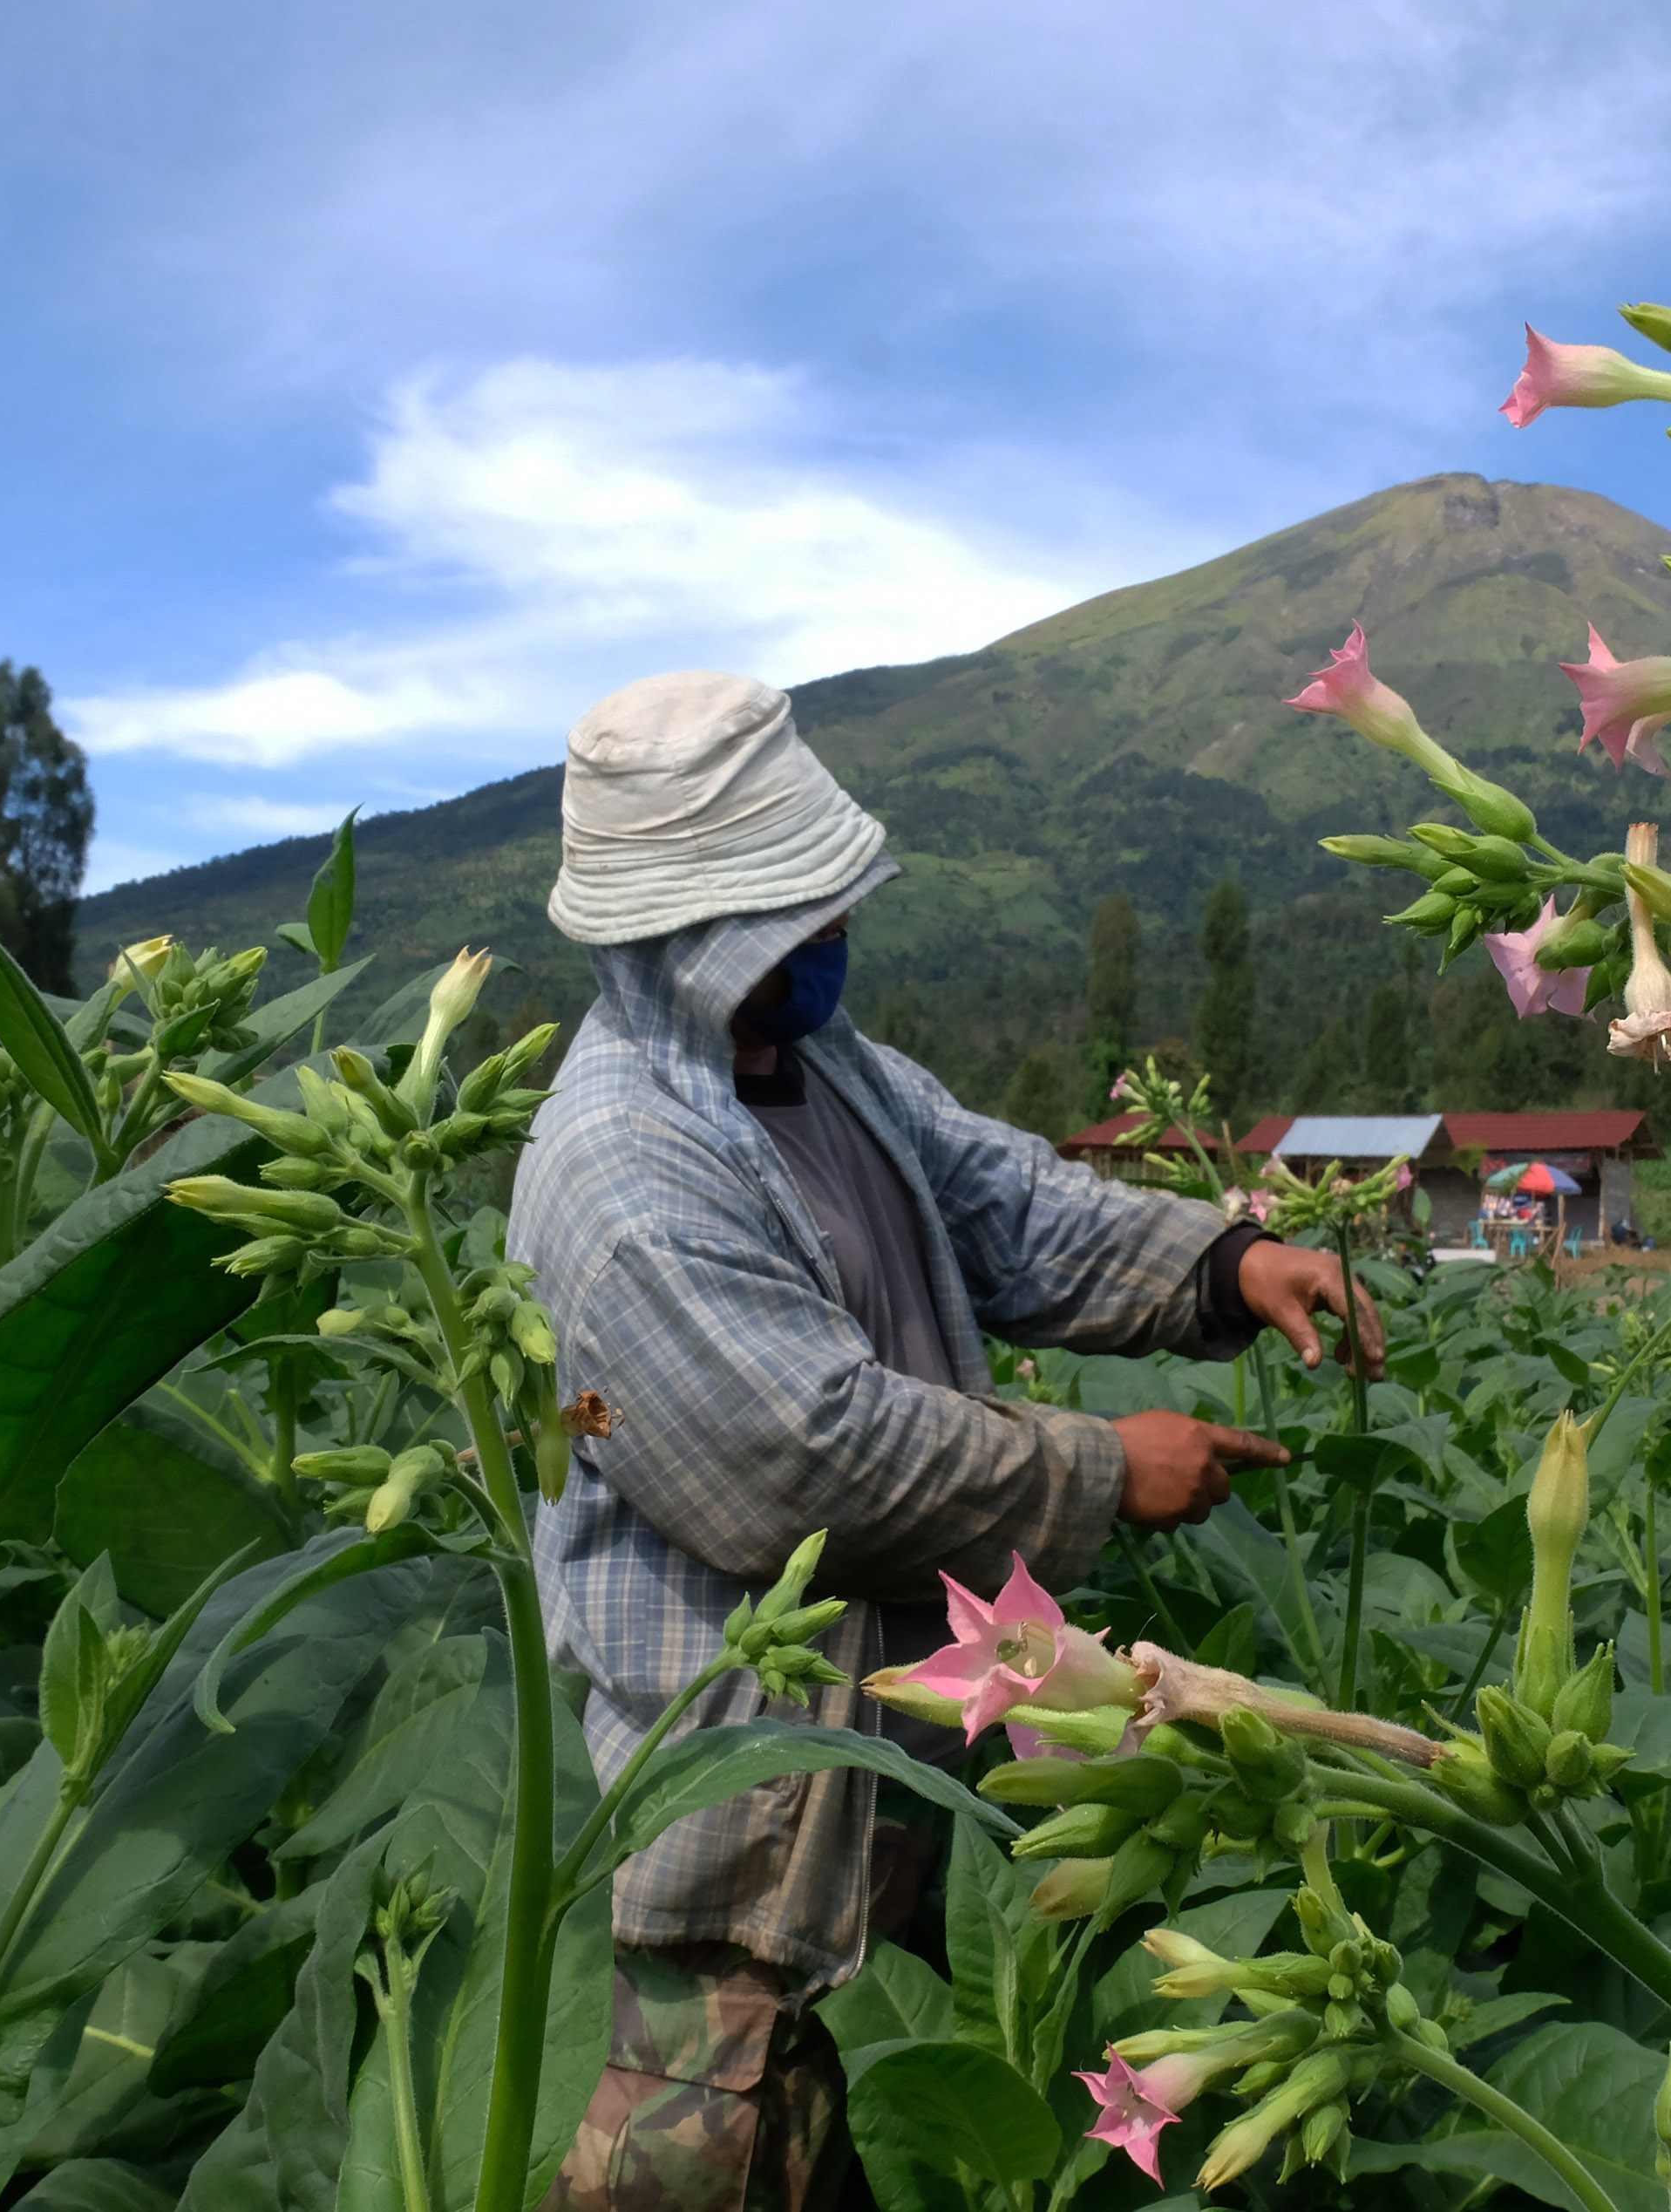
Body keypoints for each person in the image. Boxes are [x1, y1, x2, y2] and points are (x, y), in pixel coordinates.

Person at [511, 672, 1380, 2212]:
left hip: (910, 1797)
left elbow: (1008, 1202)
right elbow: (804, 1460)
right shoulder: (623, 1165)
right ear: (696, 933)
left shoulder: (819, 1066)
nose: (837, 927)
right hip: (747, 1866)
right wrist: (1103, 1470)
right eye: (797, 909)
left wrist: (1224, 1262)